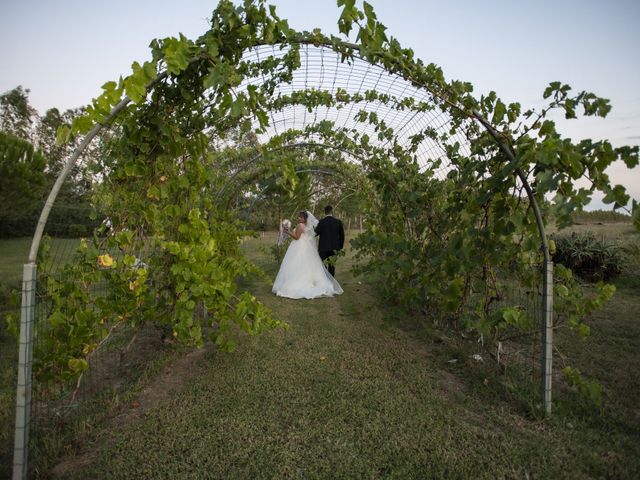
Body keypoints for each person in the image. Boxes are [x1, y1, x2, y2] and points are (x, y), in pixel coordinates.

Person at [272, 211, 343, 299]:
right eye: (299, 217)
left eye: (301, 217)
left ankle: (297, 282)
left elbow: (297, 237)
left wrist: (287, 232)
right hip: (306, 246)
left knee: (296, 263)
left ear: (305, 218)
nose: (299, 218)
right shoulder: (307, 226)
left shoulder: (299, 225)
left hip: (299, 246)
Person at [314, 205, 345, 278]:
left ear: (325, 212)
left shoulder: (321, 222)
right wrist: (340, 247)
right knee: (332, 266)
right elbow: (342, 235)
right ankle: (331, 282)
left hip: (323, 248)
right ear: (332, 212)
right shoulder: (338, 222)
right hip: (334, 248)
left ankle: (325, 282)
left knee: (323, 266)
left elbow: (315, 233)